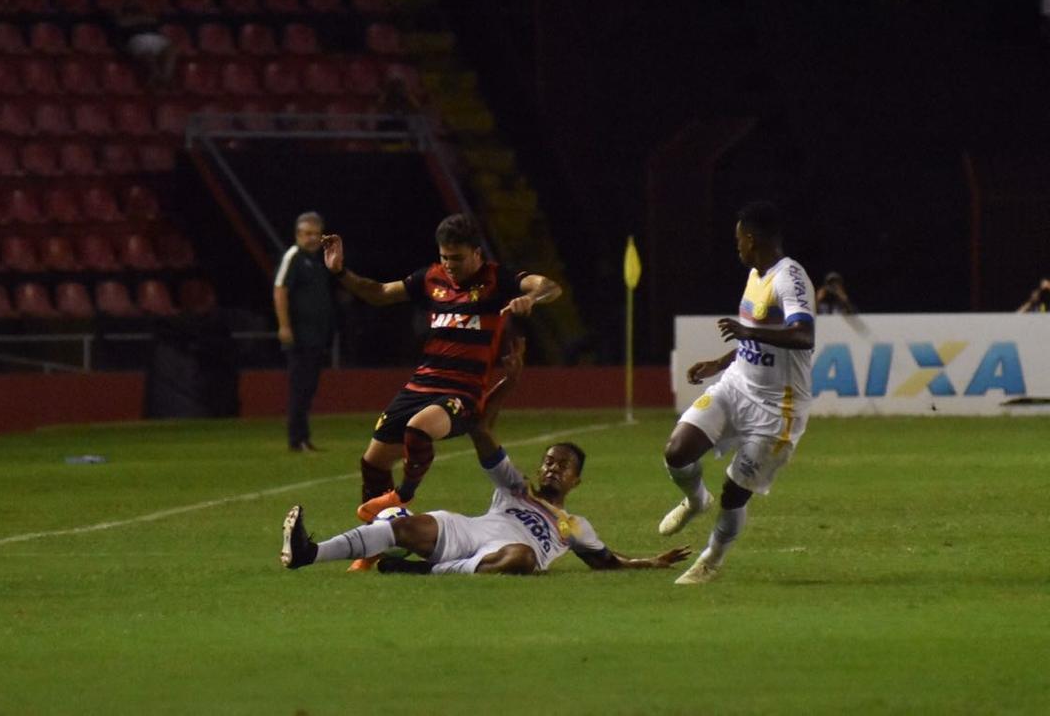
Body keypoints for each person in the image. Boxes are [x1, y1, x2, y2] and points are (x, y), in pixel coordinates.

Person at [280, 338, 691, 575]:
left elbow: (606, 562)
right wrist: (505, 387)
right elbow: (484, 430)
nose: (553, 466)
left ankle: (424, 571)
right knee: (409, 529)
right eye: (549, 460)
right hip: (469, 533)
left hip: (506, 554)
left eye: (563, 465)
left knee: (524, 557)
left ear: (576, 481)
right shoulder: (516, 489)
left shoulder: (575, 525)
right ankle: (309, 553)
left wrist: (651, 562)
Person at [321, 213, 561, 570]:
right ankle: (375, 544)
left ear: (477, 254)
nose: (449, 265)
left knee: (419, 428)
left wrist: (533, 300)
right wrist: (340, 271)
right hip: (421, 383)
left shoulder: (499, 279)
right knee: (373, 461)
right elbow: (380, 293)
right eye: (445, 257)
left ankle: (404, 494)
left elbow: (550, 286)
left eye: (457, 258)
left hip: (463, 392)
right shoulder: (431, 277)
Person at [657, 201, 815, 584]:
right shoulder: (756, 275)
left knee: (734, 493)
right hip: (736, 386)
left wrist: (747, 333)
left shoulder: (789, 277)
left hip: (777, 410)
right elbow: (759, 337)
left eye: (738, 239)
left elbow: (802, 334)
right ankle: (696, 499)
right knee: (677, 451)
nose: (736, 246)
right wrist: (721, 362)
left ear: (751, 238)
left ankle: (712, 557)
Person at [274, 212, 336, 453]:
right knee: (300, 386)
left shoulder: (317, 260)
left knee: (308, 387)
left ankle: (303, 437)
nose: (312, 238)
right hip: (299, 335)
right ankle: (296, 438)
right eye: (307, 234)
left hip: (315, 335)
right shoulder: (294, 257)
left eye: (316, 234)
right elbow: (280, 290)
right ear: (298, 234)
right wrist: (285, 325)